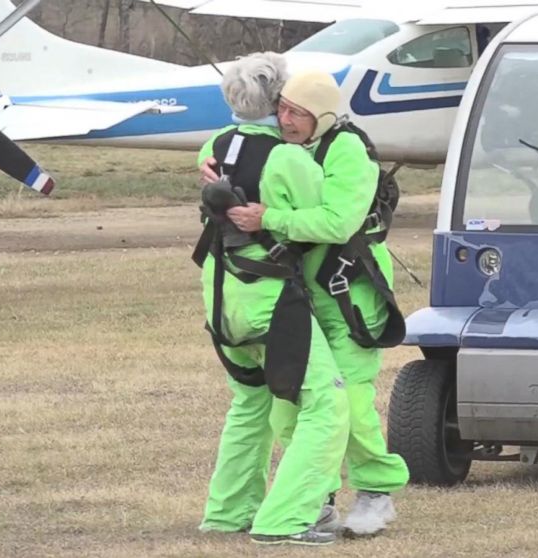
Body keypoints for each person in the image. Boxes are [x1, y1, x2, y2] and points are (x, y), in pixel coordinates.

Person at [202, 70, 410, 538]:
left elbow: (338, 223)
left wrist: (267, 217)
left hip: (349, 295)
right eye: (283, 108)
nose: (286, 119)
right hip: (299, 297)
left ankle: (377, 491)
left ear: (323, 116)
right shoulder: (288, 148)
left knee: (351, 404)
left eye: (298, 112)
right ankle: (315, 499)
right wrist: (212, 167)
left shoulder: (347, 150)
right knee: (290, 405)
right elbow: (231, 144)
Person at [193, 53, 349, 547]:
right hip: (268, 299)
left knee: (251, 400)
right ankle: (286, 518)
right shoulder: (287, 158)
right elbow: (322, 215)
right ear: (280, 99)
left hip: (220, 296)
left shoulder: (213, 147)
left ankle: (228, 511)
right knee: (327, 402)